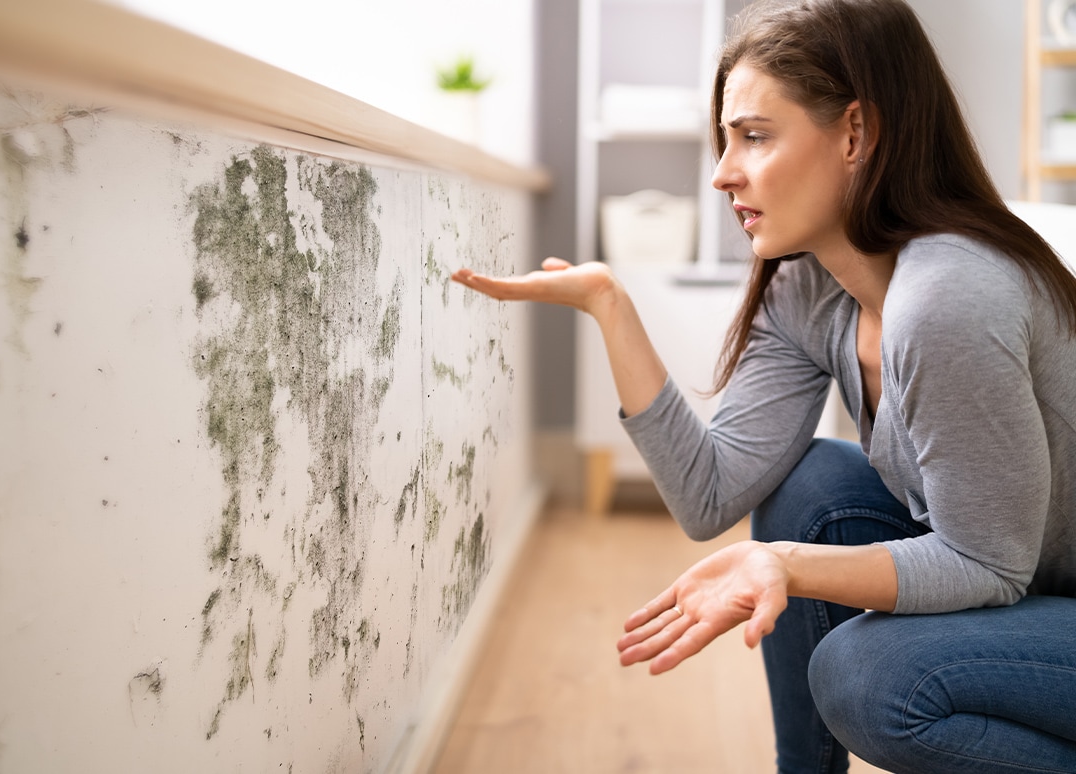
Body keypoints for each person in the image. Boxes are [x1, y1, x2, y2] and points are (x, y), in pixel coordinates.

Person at [451, 0, 1076, 772]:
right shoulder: (810, 289)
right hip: (1030, 589)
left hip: (1047, 602)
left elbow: (990, 566)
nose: (721, 173)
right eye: (724, 140)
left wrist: (785, 565)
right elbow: (710, 494)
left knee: (867, 676)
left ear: (857, 133)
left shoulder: (950, 296)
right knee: (808, 484)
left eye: (753, 136)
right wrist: (610, 308)